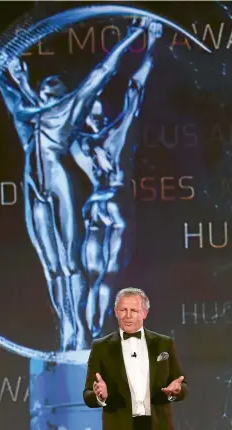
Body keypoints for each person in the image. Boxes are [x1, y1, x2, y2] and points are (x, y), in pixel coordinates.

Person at [0, 19, 150, 351]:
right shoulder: (25, 114)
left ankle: (78, 334)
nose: (49, 85)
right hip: (33, 189)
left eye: (55, 84)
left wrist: (134, 35)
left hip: (58, 184)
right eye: (45, 84)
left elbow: (101, 74)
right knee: (53, 267)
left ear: (62, 94)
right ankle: (67, 330)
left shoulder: (65, 111)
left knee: (70, 263)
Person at [72, 22, 162, 340]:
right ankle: (94, 339)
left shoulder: (79, 143)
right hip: (116, 203)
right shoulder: (116, 133)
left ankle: (90, 335)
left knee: (95, 278)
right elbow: (135, 90)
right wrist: (151, 43)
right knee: (107, 278)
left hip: (95, 204)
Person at [83, 287, 188, 430]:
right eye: (123, 310)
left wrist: (176, 391)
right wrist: (100, 397)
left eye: (134, 310)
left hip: (158, 425)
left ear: (145, 313)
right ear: (115, 312)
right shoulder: (101, 347)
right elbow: (88, 394)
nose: (128, 315)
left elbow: (182, 385)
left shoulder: (164, 343)